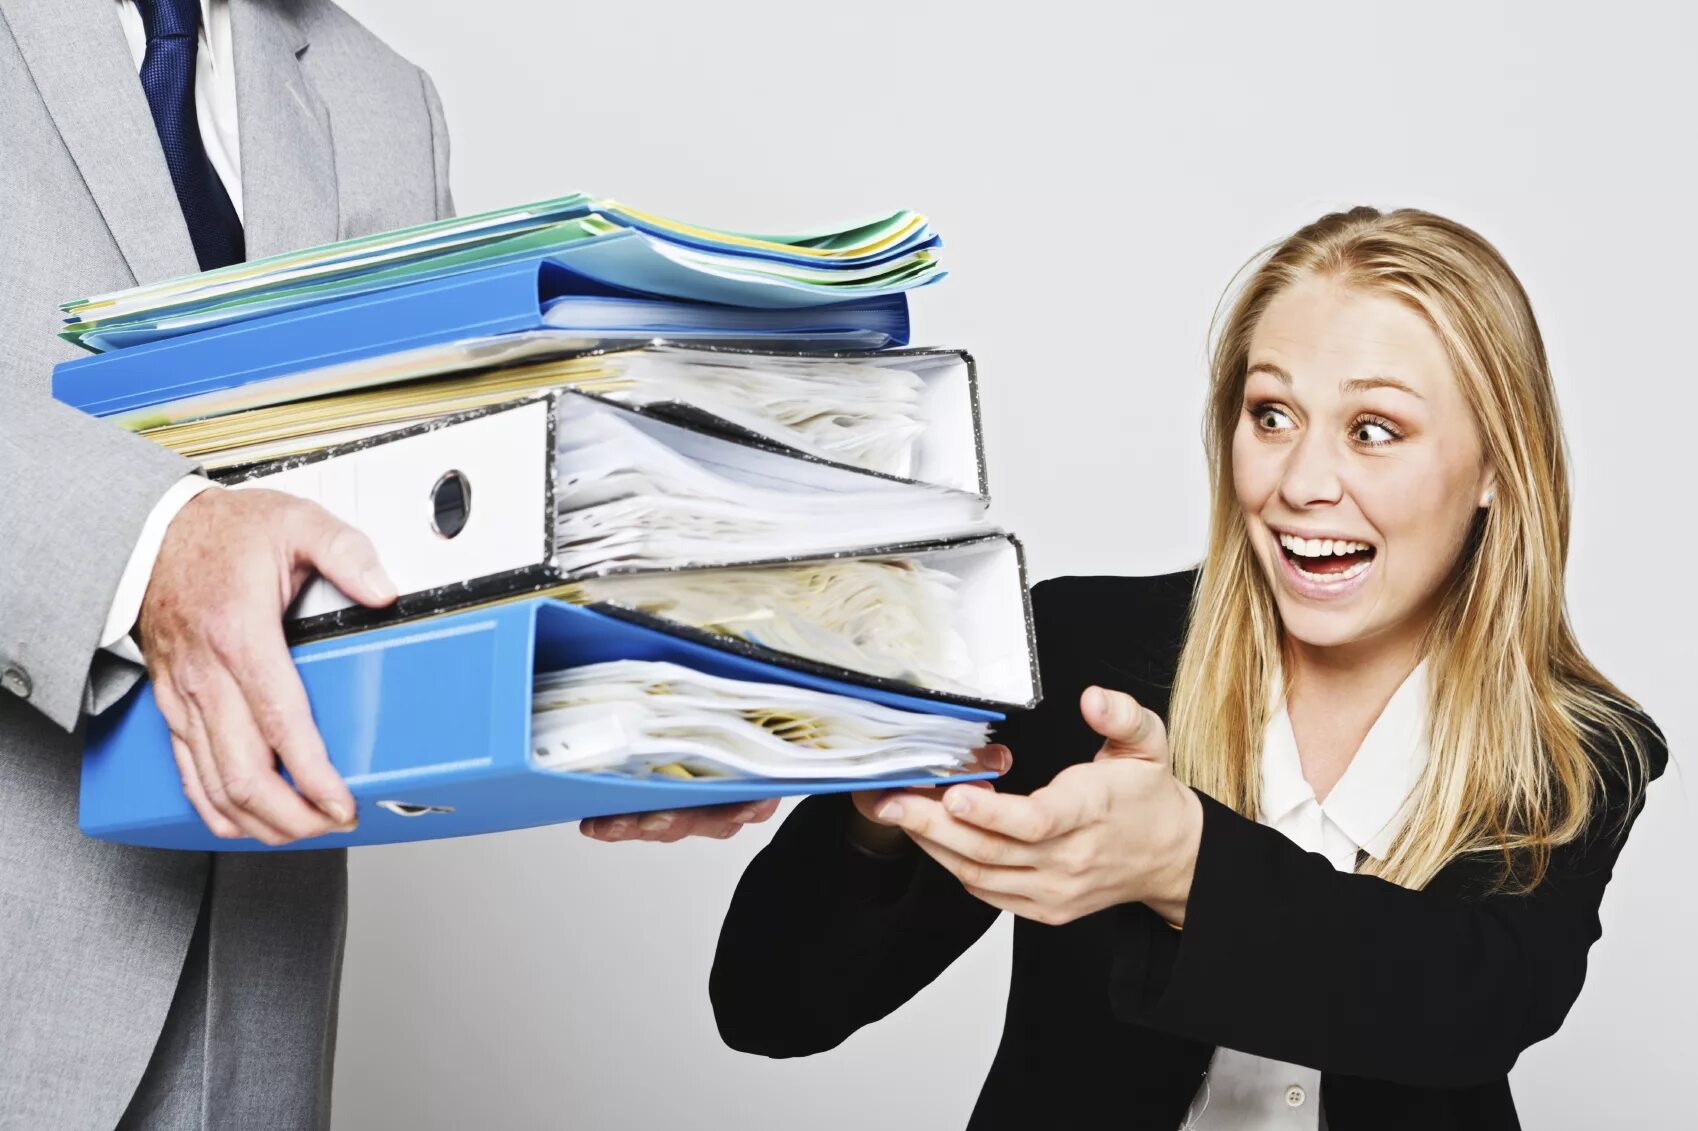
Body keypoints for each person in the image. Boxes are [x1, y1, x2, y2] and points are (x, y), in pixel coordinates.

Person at [700, 207, 1667, 1130]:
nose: (1301, 483)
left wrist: (1183, 865)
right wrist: (880, 815)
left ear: (1496, 465)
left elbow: (1473, 1005)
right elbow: (770, 1007)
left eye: (1374, 429)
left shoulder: (1579, 747)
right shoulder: (1076, 650)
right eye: (1272, 414)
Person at [1, 1, 452, 1125]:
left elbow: (418, 504)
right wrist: (146, 543)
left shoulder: (385, 97)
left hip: (248, 1027)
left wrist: (644, 695)